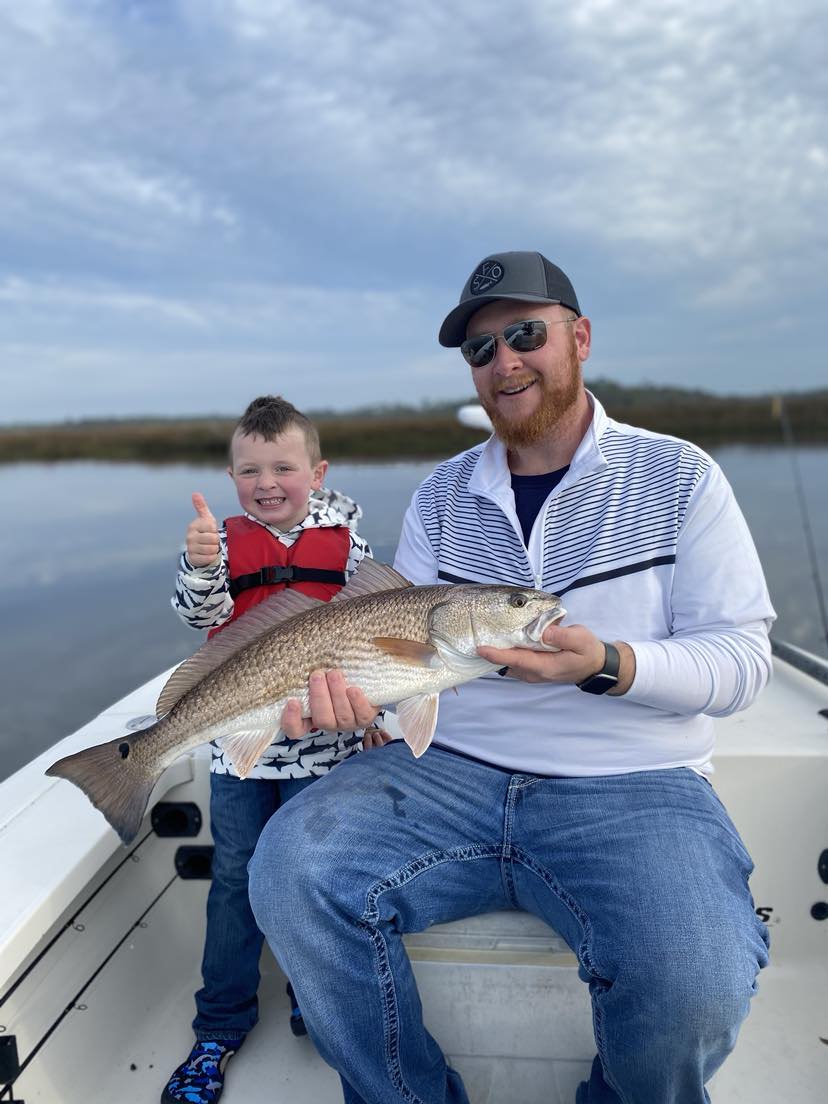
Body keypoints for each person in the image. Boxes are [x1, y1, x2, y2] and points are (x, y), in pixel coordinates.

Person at [247, 253, 775, 1103]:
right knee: (289, 870)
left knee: (696, 977)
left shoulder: (681, 476)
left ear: (580, 338)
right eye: (481, 349)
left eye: (526, 334)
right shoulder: (441, 493)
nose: (505, 362)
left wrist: (608, 664)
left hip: (634, 783)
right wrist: (359, 710)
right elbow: (395, 654)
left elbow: (743, 662)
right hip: (445, 771)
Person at [162, 394, 389, 1104]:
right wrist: (200, 564)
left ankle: (306, 993)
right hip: (240, 748)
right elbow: (198, 615)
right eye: (249, 471)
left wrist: (381, 714)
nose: (266, 484)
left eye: (283, 468)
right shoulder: (223, 543)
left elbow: (388, 644)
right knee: (235, 877)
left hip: (325, 752)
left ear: (317, 473)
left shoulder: (351, 547)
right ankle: (219, 1024)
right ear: (231, 477)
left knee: (312, 876)